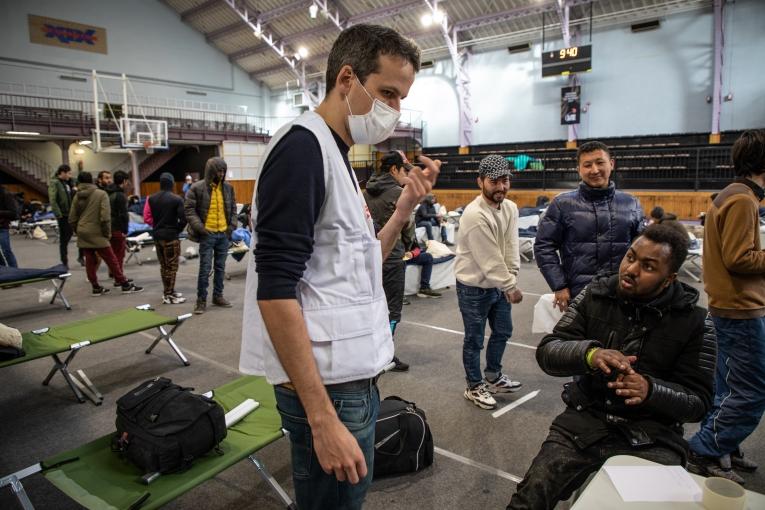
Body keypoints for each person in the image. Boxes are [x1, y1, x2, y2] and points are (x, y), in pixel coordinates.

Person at [239, 24, 437, 510]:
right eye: (388, 92)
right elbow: (275, 290)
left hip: (352, 377)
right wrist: (322, 418)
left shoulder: (337, 154)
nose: (395, 109)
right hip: (326, 390)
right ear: (347, 78)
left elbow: (363, 260)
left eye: (402, 98)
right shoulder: (303, 149)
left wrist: (404, 209)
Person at [507, 224, 715, 509]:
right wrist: (589, 355)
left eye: (648, 266)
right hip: (585, 420)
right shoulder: (596, 293)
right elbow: (548, 351)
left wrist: (650, 390)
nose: (631, 269)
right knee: (529, 498)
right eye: (630, 257)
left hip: (653, 434)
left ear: (669, 279)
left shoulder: (697, 322)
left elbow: (699, 401)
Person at [686, 129, 765, 483]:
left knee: (731, 387)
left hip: (733, 306)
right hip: (739, 309)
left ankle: (721, 447)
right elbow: (740, 259)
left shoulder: (735, 195)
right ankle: (705, 450)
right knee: (750, 391)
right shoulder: (743, 199)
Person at [534, 141, 643, 312]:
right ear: (579, 169)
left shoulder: (631, 203)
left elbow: (642, 249)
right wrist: (559, 285)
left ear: (611, 164)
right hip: (579, 295)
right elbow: (543, 246)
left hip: (623, 293)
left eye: (600, 163)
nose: (594, 170)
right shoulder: (562, 204)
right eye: (587, 165)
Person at [455, 155, 523, 410]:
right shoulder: (474, 215)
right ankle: (473, 386)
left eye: (505, 181)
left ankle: (493, 376)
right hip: (473, 287)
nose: (501, 187)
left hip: (498, 284)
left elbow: (510, 246)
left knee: (503, 331)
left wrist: (511, 277)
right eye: (494, 181)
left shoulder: (510, 208)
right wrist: (509, 285)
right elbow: (490, 258)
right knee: (474, 339)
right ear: (480, 182)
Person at [364, 150, 416, 372]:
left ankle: (367, 352)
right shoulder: (399, 193)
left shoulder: (364, 192)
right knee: (392, 311)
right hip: (393, 257)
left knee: (370, 308)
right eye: (405, 170)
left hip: (368, 259)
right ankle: (386, 354)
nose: (408, 175)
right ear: (394, 169)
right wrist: (411, 245)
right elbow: (407, 228)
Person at [68, 172, 142, 295]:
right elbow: (105, 217)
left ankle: (95, 287)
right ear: (92, 180)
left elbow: (72, 218)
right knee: (111, 258)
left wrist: (78, 230)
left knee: (90, 260)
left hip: (82, 231)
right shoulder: (101, 194)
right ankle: (123, 284)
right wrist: (107, 233)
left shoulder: (77, 195)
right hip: (98, 232)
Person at [185, 157, 236, 314]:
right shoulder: (197, 187)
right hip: (207, 234)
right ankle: (201, 300)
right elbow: (189, 209)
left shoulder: (228, 188)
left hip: (223, 234)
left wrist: (231, 227)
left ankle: (218, 296)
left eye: (223, 171)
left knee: (220, 267)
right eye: (218, 171)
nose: (221, 174)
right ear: (210, 171)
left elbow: (233, 208)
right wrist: (200, 227)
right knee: (205, 268)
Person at [148, 172, 187, 304]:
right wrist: (178, 229)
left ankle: (168, 290)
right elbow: (183, 219)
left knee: (164, 266)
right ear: (172, 183)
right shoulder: (176, 199)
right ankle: (169, 294)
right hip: (171, 236)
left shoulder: (152, 198)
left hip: (157, 235)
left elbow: (152, 217)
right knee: (172, 266)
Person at [48, 164, 76, 268]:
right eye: (68, 173)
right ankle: (64, 261)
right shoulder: (55, 183)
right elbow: (53, 200)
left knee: (71, 234)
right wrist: (58, 214)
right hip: (63, 215)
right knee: (64, 239)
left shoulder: (67, 183)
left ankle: (80, 257)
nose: (70, 175)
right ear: (62, 173)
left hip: (70, 213)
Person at [105, 170, 130, 282]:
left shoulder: (107, 192)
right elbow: (123, 214)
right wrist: (125, 229)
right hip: (117, 227)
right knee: (119, 254)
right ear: (124, 181)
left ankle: (113, 274)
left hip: (107, 226)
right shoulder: (120, 195)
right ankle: (119, 279)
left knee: (112, 253)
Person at [0, 184, 19, 267]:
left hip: (2, 227)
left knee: (6, 250)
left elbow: (13, 213)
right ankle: (3, 270)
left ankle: (15, 271)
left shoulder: (6, 194)